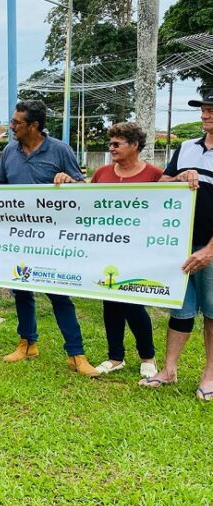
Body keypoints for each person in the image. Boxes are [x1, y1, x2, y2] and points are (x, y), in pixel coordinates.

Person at [0, 99, 99, 376]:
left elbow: (82, 188)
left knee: (58, 294)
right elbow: (2, 188)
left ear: (34, 125)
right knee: (21, 289)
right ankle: (27, 343)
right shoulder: (9, 152)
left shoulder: (60, 150)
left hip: (51, 239)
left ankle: (76, 353)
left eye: (17, 122)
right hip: (19, 236)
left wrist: (70, 181)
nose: (11, 127)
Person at [140, 88, 213, 400]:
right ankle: (169, 370)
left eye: (211, 110)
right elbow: (162, 184)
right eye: (203, 109)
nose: (204, 114)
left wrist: (209, 250)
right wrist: (180, 176)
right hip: (181, 245)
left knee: (212, 313)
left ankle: (210, 376)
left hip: (209, 250)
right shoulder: (185, 148)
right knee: (180, 310)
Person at [90, 122, 162, 377]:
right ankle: (115, 357)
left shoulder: (154, 175)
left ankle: (148, 357)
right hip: (107, 250)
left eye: (117, 144)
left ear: (134, 145)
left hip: (139, 251)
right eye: (110, 143)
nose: (111, 148)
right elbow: (87, 206)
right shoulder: (101, 174)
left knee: (132, 303)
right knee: (110, 303)